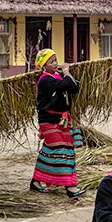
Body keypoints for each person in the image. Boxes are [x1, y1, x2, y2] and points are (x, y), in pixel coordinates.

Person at [30, 48, 85, 198]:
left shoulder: (57, 76)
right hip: (49, 120)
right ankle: (70, 187)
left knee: (51, 151)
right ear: (43, 66)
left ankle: (36, 181)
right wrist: (66, 72)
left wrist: (65, 74)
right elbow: (66, 85)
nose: (55, 64)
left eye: (55, 60)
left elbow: (74, 87)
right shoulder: (45, 80)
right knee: (62, 151)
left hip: (61, 121)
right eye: (51, 62)